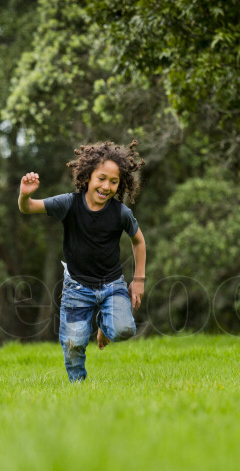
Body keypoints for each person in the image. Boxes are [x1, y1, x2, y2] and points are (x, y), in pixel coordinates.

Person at [18, 140, 146, 382]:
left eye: (113, 181)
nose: (106, 186)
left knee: (124, 329)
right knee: (73, 343)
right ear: (88, 177)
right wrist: (25, 196)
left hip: (112, 286)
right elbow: (28, 208)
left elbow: (139, 241)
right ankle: (78, 387)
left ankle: (104, 326)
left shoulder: (121, 213)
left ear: (119, 185)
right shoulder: (68, 204)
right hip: (77, 288)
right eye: (101, 178)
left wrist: (138, 280)